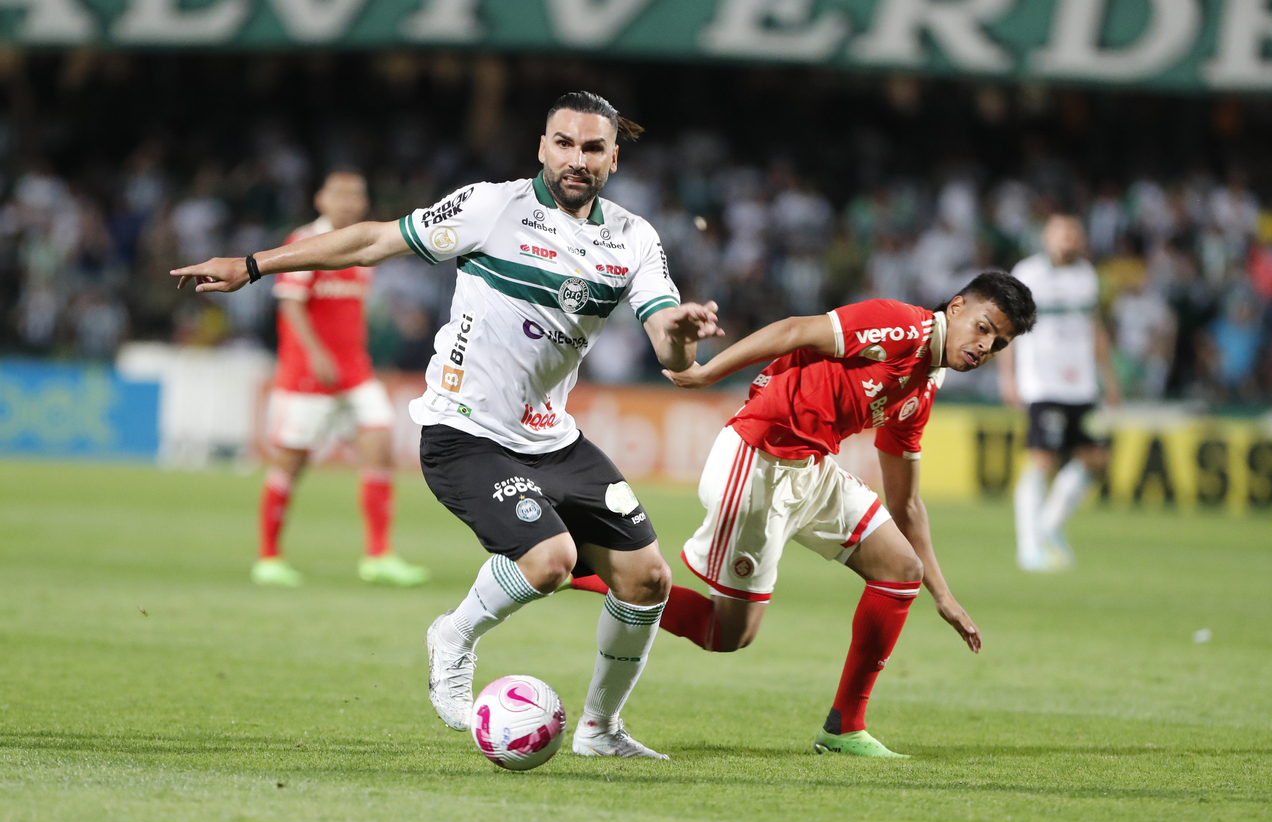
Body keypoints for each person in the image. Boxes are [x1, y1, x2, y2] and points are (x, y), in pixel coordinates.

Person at [173, 92, 721, 760]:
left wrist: (683, 335)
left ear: (614, 156)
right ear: (542, 147)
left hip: (551, 438)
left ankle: (600, 728)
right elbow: (374, 239)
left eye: (593, 148)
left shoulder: (634, 239)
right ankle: (454, 636)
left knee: (649, 580)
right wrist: (253, 265)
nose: (578, 159)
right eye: (565, 144)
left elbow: (668, 344)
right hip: (464, 433)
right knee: (550, 560)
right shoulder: (492, 207)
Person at [572, 273, 1037, 757]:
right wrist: (705, 373)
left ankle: (844, 728)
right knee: (725, 634)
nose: (985, 346)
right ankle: (590, 570)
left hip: (811, 468)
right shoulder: (901, 326)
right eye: (984, 327)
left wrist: (943, 595)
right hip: (759, 459)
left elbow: (906, 503)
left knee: (901, 570)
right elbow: (796, 329)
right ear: (957, 307)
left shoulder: (922, 388)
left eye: (998, 343)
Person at [254, 170, 427, 588]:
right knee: (291, 463)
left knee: (380, 447)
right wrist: (316, 354)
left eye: (357, 195)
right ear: (320, 200)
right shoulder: (305, 242)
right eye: (341, 195)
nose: (349, 202)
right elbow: (290, 304)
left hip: (354, 372)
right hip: (307, 375)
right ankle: (269, 557)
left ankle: (378, 555)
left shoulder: (362, 246)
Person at [1000, 215, 1119, 572]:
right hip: (1043, 383)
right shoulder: (1028, 273)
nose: (1068, 240)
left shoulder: (1086, 276)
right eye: (1061, 234)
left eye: (1074, 233)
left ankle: (1049, 524)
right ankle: (1029, 547)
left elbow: (1094, 328)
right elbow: (1008, 325)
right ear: (1046, 238)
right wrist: (1008, 376)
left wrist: (1108, 377)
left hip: (1081, 384)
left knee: (1096, 458)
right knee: (1042, 460)